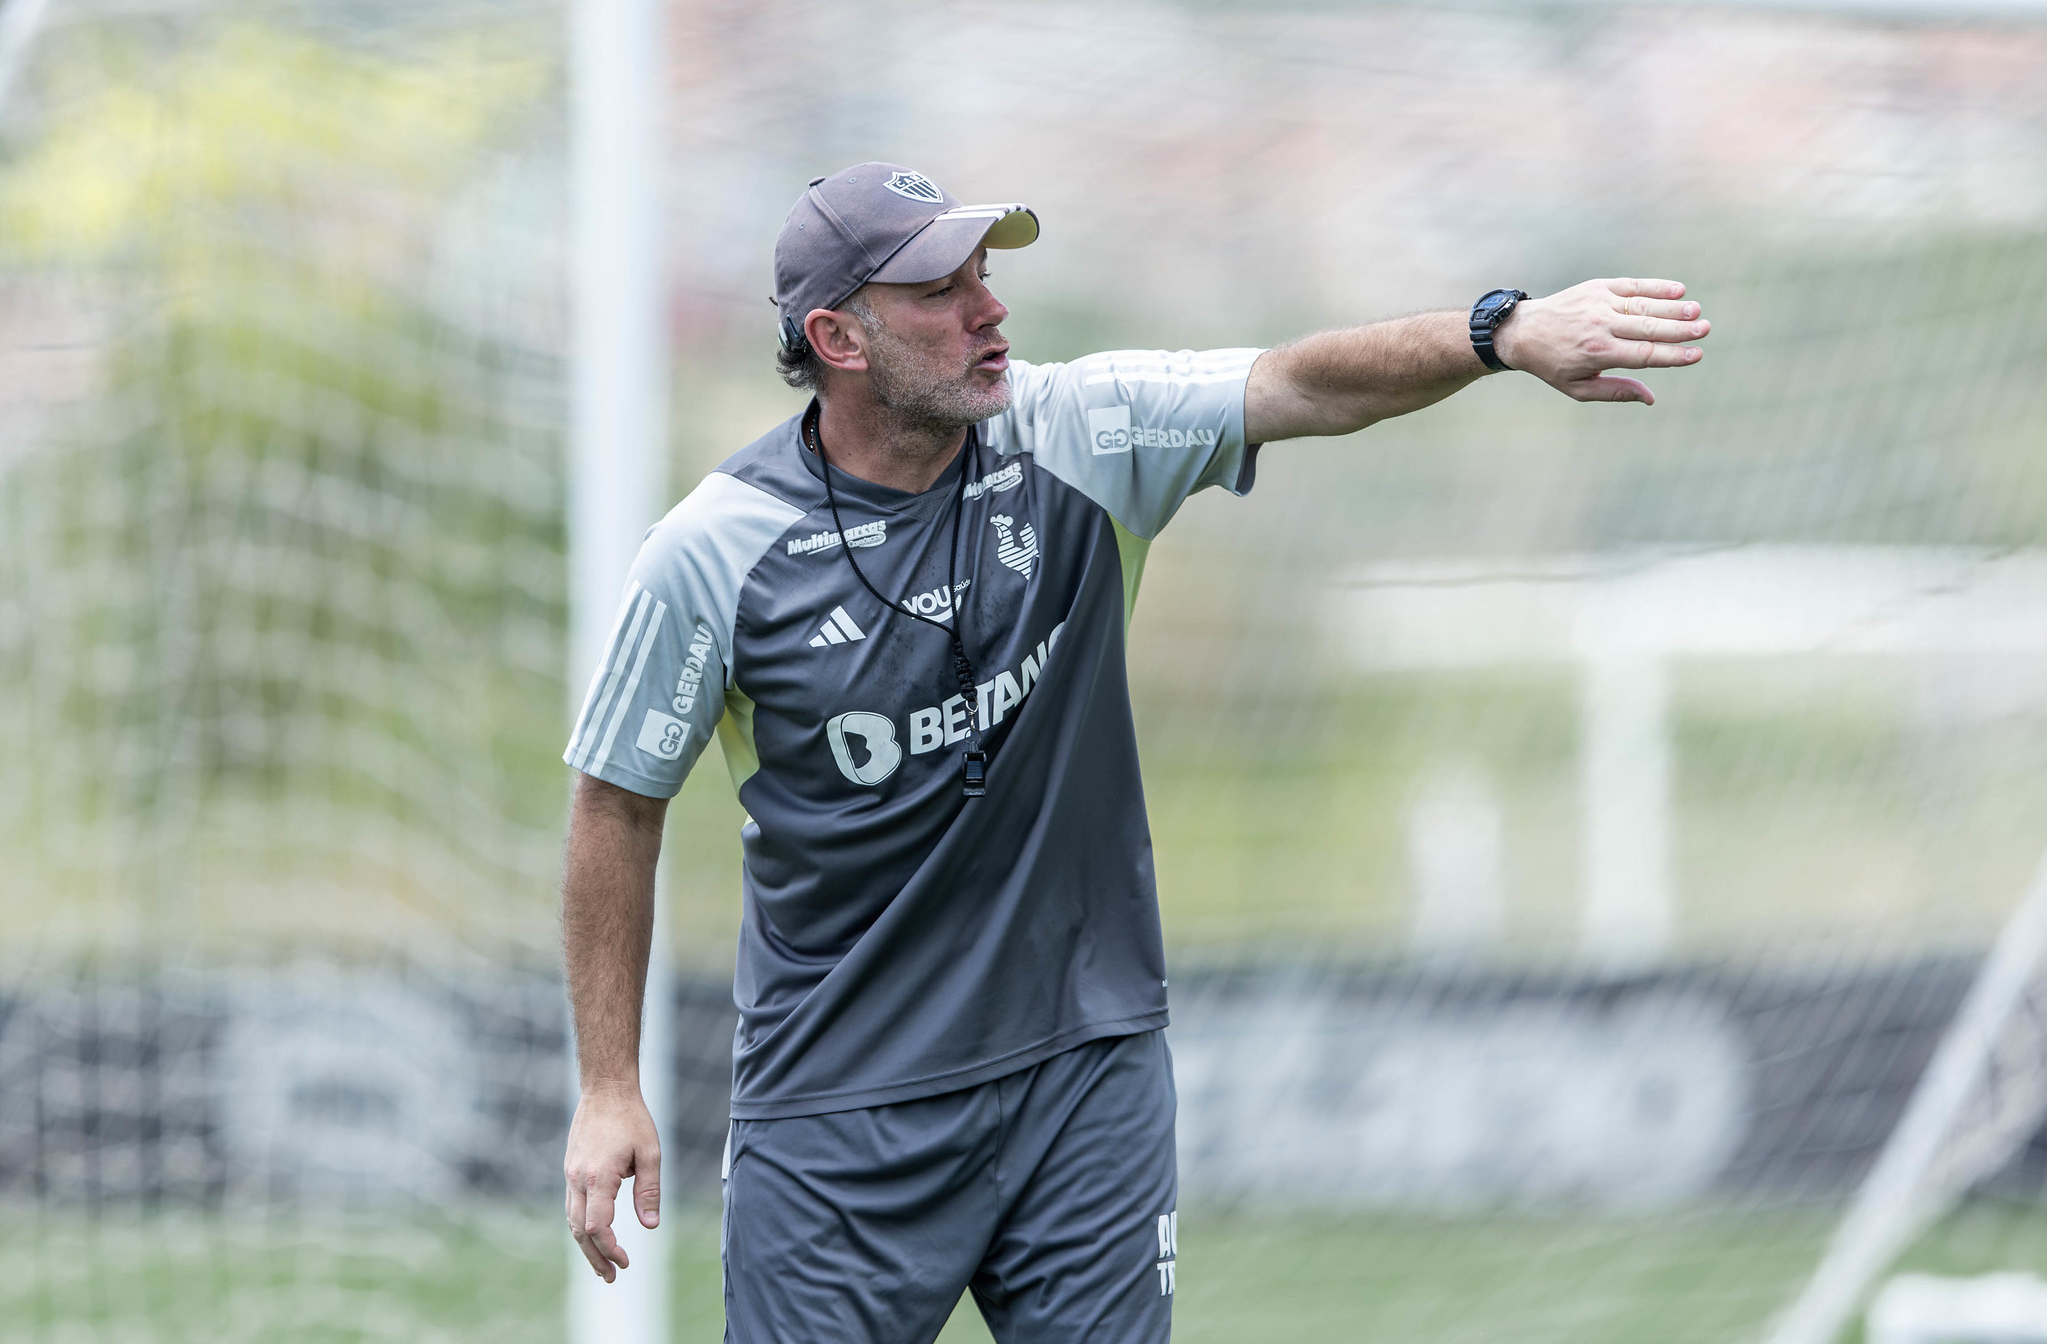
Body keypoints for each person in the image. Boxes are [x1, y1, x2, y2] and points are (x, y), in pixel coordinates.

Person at [559, 162, 1709, 1341]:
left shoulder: (1078, 430)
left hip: (1083, 1072)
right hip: (839, 1103)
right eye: (938, 292)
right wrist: (607, 1087)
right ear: (836, 337)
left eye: (985, 276)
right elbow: (615, 805)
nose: (987, 309)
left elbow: (1301, 383)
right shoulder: (710, 552)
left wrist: (1499, 332)